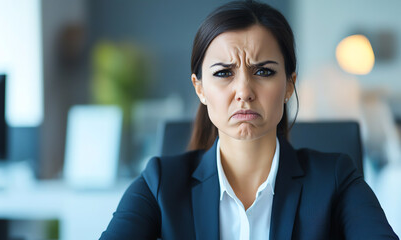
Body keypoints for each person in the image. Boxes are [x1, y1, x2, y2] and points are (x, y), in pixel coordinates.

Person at [100, 1, 399, 239]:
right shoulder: (159, 183)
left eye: (264, 71)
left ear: (289, 85)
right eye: (223, 73)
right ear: (200, 88)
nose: (244, 91)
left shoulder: (335, 179)